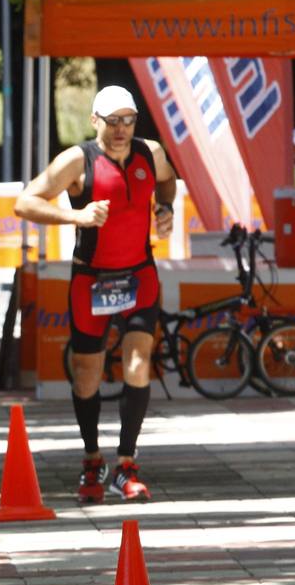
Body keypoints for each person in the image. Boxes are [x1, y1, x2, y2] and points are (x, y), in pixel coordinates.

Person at [13, 86, 176, 503]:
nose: (121, 129)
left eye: (128, 120)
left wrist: (165, 208)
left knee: (138, 364)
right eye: (112, 121)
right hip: (93, 281)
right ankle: (91, 459)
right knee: (87, 373)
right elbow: (25, 202)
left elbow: (167, 181)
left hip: (139, 276)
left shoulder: (150, 153)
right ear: (94, 121)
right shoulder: (77, 160)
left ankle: (126, 464)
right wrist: (75, 215)